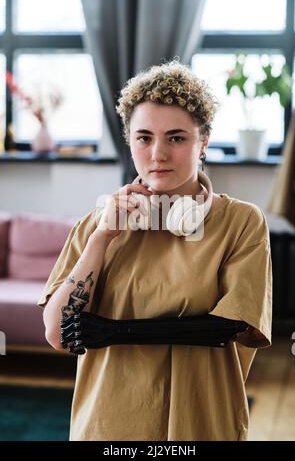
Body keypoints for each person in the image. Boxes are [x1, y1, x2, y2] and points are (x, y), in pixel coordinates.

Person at [38, 60, 272, 441]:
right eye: (144, 138)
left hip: (202, 423)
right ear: (129, 142)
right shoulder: (96, 225)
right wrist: (101, 239)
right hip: (108, 425)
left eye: (176, 138)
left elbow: (226, 329)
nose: (158, 154)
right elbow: (57, 332)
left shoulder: (240, 223)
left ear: (204, 142)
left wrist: (112, 332)